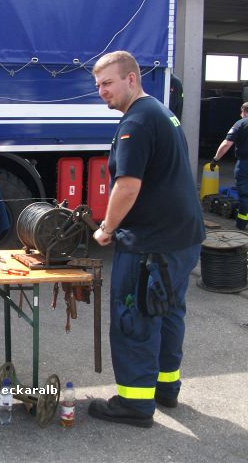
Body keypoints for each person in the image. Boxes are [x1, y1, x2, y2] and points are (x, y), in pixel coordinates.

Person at [90, 51, 205, 427]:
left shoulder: (136, 122)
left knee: (135, 314)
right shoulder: (160, 112)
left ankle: (135, 404)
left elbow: (127, 187)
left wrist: (106, 229)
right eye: (98, 85)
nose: (101, 91)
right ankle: (166, 388)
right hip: (181, 237)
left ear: (131, 79)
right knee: (168, 310)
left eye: (108, 83)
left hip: (151, 243)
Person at [210, 102, 248, 230]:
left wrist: (215, 159)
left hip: (245, 164)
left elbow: (226, 144)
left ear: (245, 112)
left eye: (241, 112)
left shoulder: (241, 124)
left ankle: (242, 225)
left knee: (244, 194)